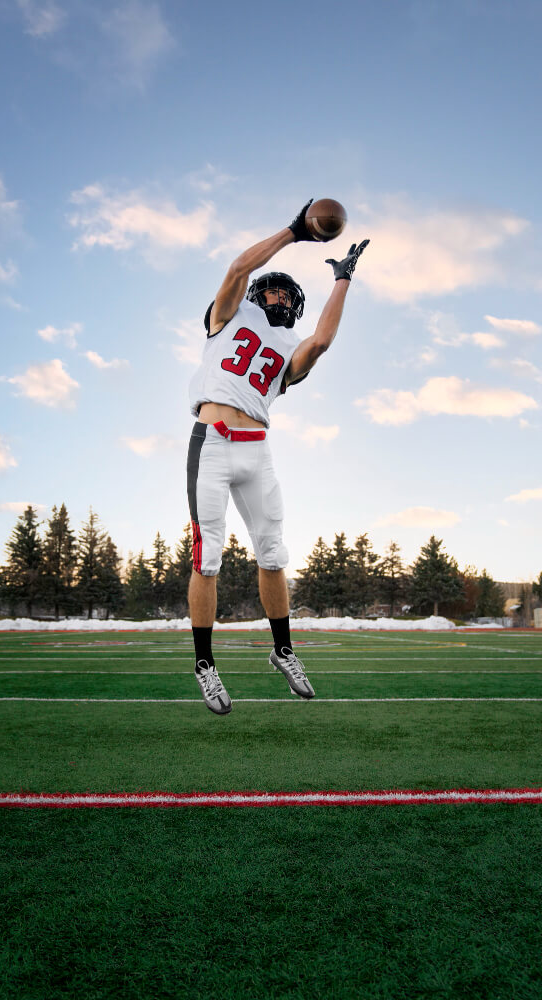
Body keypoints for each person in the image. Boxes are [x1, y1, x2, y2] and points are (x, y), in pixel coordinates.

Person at [187, 199, 369, 714]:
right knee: (209, 558)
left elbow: (324, 340)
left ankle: (284, 650)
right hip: (213, 441)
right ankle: (205, 663)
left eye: (285, 291)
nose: (277, 292)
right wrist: (295, 231)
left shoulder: (289, 347)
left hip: (257, 451)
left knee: (273, 554)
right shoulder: (228, 314)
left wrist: (343, 280)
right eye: (272, 286)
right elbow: (240, 268)